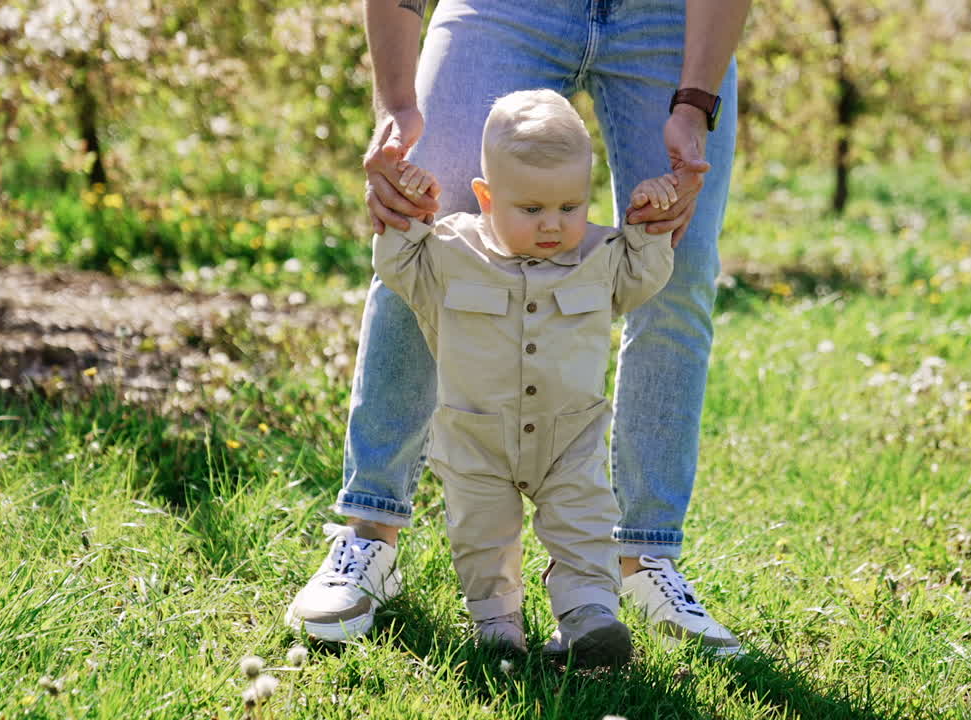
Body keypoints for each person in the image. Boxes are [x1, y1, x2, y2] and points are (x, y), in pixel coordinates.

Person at [285, 0, 749, 656]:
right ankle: (368, 533)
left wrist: (693, 104)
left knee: (679, 256)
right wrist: (394, 102)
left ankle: (645, 559)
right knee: (423, 217)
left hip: (670, 18)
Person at [368, 89, 681, 664]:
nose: (553, 225)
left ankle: (589, 616)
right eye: (531, 210)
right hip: (476, 435)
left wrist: (653, 224)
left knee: (585, 520)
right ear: (486, 197)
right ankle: (497, 622)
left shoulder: (602, 254)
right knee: (481, 535)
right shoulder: (448, 251)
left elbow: (643, 278)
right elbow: (396, 264)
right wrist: (407, 211)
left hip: (570, 434)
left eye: (570, 207)